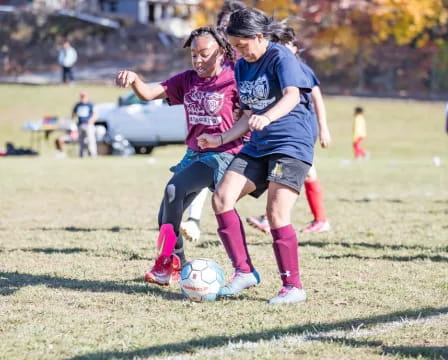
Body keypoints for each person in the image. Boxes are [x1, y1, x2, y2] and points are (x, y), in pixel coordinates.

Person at [197, 8, 315, 305]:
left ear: (260, 36)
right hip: (258, 145)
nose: (237, 51)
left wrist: (268, 117)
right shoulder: (241, 65)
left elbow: (292, 95)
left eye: (242, 45)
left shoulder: (280, 57)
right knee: (222, 198)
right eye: (233, 46)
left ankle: (293, 286)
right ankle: (244, 271)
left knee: (276, 213)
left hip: (291, 143)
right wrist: (220, 139)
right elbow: (248, 114)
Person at [116, 27, 242, 286]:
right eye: (193, 55)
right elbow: (149, 94)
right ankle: (178, 264)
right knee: (165, 214)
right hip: (194, 153)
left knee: (174, 189)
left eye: (204, 54)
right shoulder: (187, 79)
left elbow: (252, 113)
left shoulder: (235, 79)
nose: (197, 61)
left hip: (222, 154)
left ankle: (167, 264)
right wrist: (136, 79)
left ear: (221, 53)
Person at [245, 25, 332, 234]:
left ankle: (316, 219)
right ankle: (314, 219)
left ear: (295, 48)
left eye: (286, 45)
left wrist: (323, 128)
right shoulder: (272, 67)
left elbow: (316, 97)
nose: (282, 49)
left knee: (290, 171)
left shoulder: (299, 68)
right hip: (281, 131)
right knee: (293, 172)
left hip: (300, 130)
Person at [179, 0, 248, 243]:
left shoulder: (245, 59)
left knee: (228, 191)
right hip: (213, 133)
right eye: (223, 25)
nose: (226, 30)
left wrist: (245, 108)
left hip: (243, 134)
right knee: (199, 169)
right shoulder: (209, 56)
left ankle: (270, 219)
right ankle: (194, 220)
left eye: (231, 25)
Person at [72, 91, 98, 157]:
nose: (83, 98)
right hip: (80, 125)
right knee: (81, 141)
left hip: (88, 125)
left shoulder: (90, 105)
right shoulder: (78, 105)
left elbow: (95, 115)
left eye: (84, 96)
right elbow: (73, 114)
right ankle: (81, 155)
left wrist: (91, 121)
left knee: (91, 140)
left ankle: (93, 154)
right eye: (82, 96)